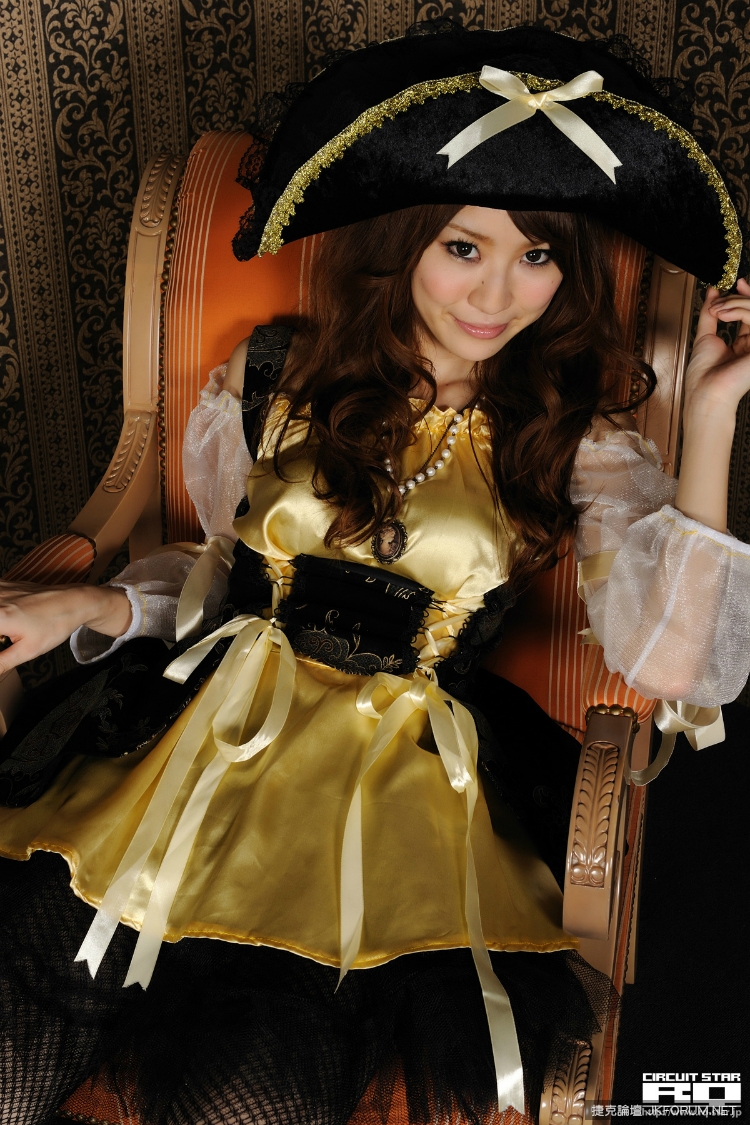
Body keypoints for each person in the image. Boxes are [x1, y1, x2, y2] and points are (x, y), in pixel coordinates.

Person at [1, 23, 749, 1125]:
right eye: (465, 246)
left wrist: (717, 417)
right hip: (186, 750)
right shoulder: (276, 375)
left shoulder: (573, 440)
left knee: (248, 1091)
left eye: (538, 256)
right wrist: (93, 603)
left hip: (388, 794)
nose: (500, 293)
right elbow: (218, 571)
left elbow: (678, 668)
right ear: (404, 241)